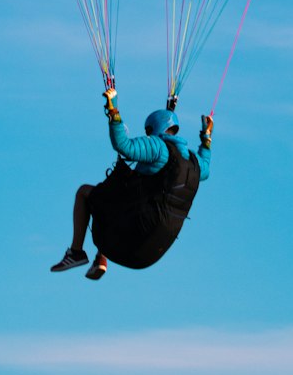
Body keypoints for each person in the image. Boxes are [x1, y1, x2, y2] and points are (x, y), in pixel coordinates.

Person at [51, 86, 213, 279]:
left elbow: (123, 146)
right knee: (118, 194)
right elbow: (206, 168)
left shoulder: (157, 147)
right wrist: (206, 139)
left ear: (153, 130)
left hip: (133, 236)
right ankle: (101, 257)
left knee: (85, 192)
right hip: (151, 252)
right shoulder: (193, 162)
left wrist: (114, 113)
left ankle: (76, 252)